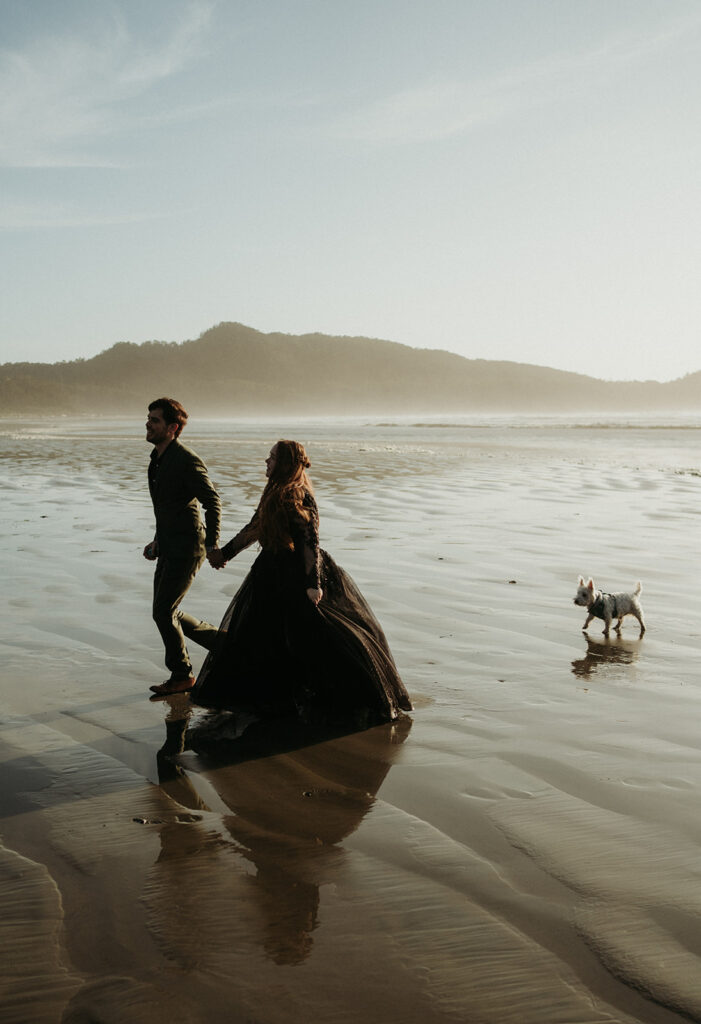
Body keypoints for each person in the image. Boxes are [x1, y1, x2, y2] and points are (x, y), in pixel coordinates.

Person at [184, 440, 412, 725]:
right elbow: (254, 528)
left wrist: (313, 583)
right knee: (269, 638)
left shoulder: (298, 495)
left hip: (295, 574)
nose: (266, 462)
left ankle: (333, 698)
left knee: (313, 637)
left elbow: (309, 542)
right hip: (270, 572)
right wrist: (224, 554)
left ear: (286, 464)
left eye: (271, 458)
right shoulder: (274, 493)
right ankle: (275, 699)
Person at [143, 398, 221, 696]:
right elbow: (166, 507)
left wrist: (213, 543)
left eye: (155, 420)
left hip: (189, 547)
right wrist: (158, 540)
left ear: (172, 428)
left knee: (164, 611)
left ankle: (183, 674)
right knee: (164, 610)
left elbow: (212, 501)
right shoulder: (157, 458)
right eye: (148, 418)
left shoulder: (186, 460)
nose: (148, 423)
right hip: (169, 545)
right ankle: (220, 643)